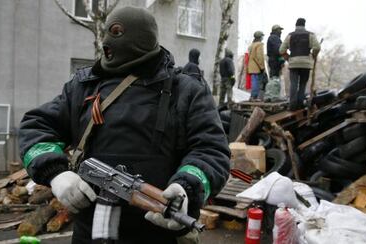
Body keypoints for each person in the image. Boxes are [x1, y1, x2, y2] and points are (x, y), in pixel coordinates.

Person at [18, 6, 230, 244]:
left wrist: (187, 188)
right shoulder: (83, 87)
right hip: (90, 232)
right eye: (108, 37)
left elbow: (211, 150)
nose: (108, 46)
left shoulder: (187, 90)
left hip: (162, 230)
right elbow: (36, 127)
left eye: (118, 36)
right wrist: (56, 174)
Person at [279, 18, 321, 110]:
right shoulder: (310, 35)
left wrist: (288, 58)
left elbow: (281, 50)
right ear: (304, 25)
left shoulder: (290, 35)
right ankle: (300, 104)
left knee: (293, 84)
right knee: (302, 84)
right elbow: (317, 47)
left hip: (293, 63)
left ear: (296, 25)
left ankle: (292, 105)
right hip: (306, 63)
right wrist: (313, 55)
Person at [265, 24, 285, 101]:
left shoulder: (272, 38)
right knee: (275, 78)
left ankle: (270, 96)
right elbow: (279, 50)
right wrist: (282, 60)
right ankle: (273, 97)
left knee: (273, 78)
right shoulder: (275, 38)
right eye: (280, 30)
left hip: (273, 59)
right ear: (276, 30)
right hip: (275, 60)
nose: (281, 32)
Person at [247, 31, 266, 101]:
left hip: (251, 67)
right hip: (257, 67)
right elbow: (259, 57)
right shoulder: (259, 45)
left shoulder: (252, 45)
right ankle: (255, 97)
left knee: (254, 81)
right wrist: (262, 67)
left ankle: (252, 96)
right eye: (262, 36)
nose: (262, 38)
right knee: (257, 82)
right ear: (260, 37)